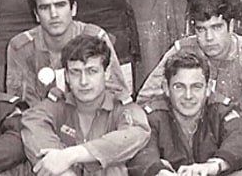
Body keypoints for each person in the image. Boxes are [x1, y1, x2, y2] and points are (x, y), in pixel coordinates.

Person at [20, 35, 150, 176]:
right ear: (67, 77)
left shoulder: (123, 109)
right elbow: (32, 122)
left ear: (106, 74)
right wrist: (63, 171)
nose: (83, 81)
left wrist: (70, 155)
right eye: (75, 73)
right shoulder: (57, 106)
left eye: (92, 71)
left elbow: (136, 132)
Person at [6, 0, 130, 106]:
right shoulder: (21, 47)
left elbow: (117, 94)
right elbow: (21, 103)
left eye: (60, 5)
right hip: (41, 116)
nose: (53, 14)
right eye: (45, 8)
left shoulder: (96, 38)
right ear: (36, 15)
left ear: (73, 8)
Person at [128, 51, 242, 176]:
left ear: (208, 88)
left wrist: (214, 165)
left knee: (240, 173)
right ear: (166, 88)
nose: (188, 96)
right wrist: (160, 172)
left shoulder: (219, 109)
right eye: (179, 87)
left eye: (196, 87)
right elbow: (142, 154)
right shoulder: (154, 115)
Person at [137, 0, 242, 106]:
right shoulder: (182, 51)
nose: (209, 38)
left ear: (231, 26)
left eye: (216, 27)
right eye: (201, 29)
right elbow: (146, 99)